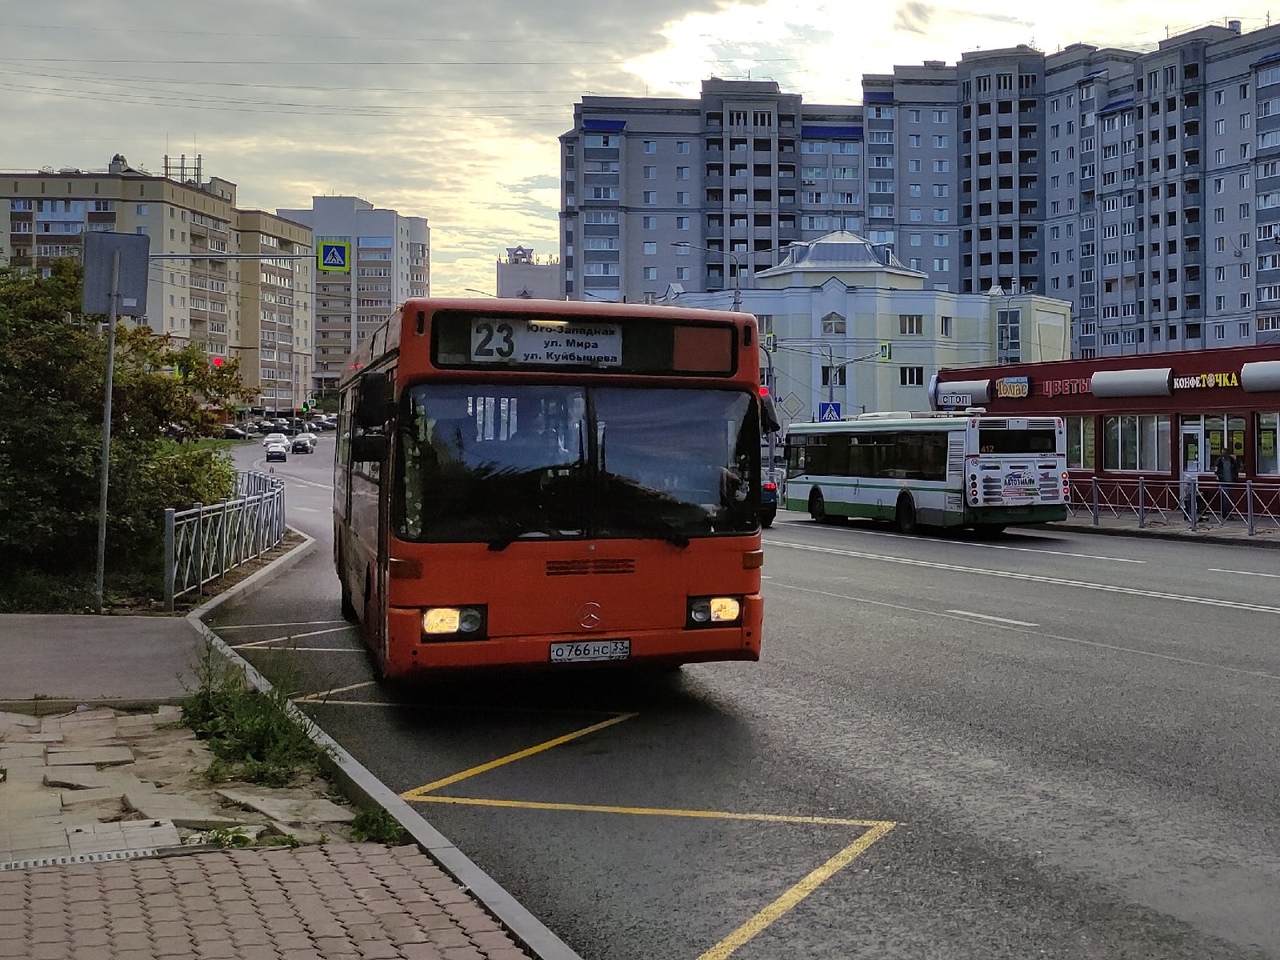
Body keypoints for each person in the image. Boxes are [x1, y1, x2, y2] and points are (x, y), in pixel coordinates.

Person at [1213, 449, 1240, 519]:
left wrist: (1236, 478)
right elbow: (1216, 471)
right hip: (1223, 482)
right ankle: (1225, 514)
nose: (1224, 455)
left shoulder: (1232, 461)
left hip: (1231, 481)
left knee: (1230, 498)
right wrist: (1219, 478)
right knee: (1226, 498)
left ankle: (1228, 513)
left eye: (1225, 453)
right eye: (1223, 453)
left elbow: (1236, 469)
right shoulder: (1219, 461)